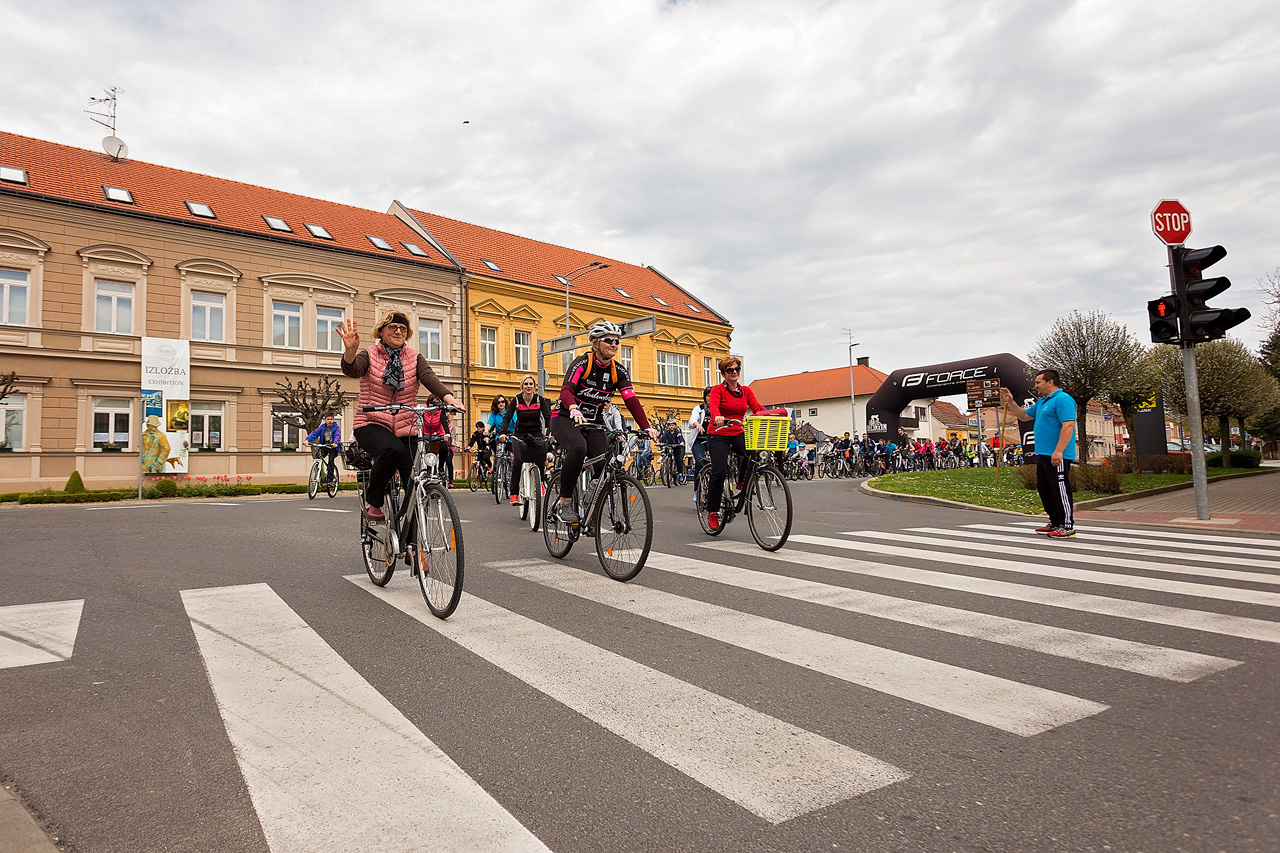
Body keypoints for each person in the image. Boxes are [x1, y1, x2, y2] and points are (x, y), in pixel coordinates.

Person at [339, 311, 462, 520]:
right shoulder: (370, 354)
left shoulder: (414, 357)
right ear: (381, 331)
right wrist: (350, 352)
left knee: (415, 483)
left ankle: (410, 544)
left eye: (403, 328)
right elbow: (353, 369)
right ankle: (373, 500)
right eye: (393, 327)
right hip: (371, 423)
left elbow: (429, 377)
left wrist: (449, 398)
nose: (398, 331)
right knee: (391, 449)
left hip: (406, 426)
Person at [551, 320, 658, 524]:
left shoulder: (618, 371)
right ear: (596, 343)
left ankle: (589, 508)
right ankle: (564, 501)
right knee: (578, 448)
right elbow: (566, 390)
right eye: (609, 340)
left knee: (603, 466)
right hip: (565, 418)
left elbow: (631, 400)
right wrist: (573, 408)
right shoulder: (583, 363)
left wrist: (645, 427)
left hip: (594, 421)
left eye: (617, 341)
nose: (614, 345)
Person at [998, 369, 1077, 538]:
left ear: (1050, 382)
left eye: (1038, 382)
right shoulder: (1042, 402)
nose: (1035, 386)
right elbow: (1023, 416)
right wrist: (1011, 401)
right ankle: (1055, 522)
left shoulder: (1063, 400)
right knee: (1045, 488)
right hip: (1044, 454)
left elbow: (1068, 425)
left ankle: (1067, 525)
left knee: (1060, 488)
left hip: (1057, 454)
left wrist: (1059, 450)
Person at [704, 355, 766, 531]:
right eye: (730, 370)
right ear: (723, 373)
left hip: (738, 430)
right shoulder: (718, 390)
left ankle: (741, 481)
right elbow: (713, 406)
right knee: (719, 471)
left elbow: (757, 408)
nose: (734, 372)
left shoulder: (746, 391)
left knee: (752, 450)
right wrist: (717, 417)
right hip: (718, 432)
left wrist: (770, 414)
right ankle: (713, 511)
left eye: (737, 369)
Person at [500, 374, 553, 505]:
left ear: (534, 387)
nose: (528, 386)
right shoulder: (516, 400)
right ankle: (514, 494)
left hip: (536, 432)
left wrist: (551, 432)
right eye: (526, 384)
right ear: (522, 387)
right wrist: (503, 433)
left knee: (540, 456)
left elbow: (548, 417)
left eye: (531, 384)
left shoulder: (540, 400)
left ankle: (540, 483)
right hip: (520, 433)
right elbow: (507, 417)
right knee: (518, 460)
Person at [686, 387, 712, 501]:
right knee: (700, 463)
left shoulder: (719, 409)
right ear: (705, 398)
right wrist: (697, 424)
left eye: (712, 395)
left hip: (713, 440)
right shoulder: (699, 408)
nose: (710, 398)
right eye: (708, 396)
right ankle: (697, 490)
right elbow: (691, 420)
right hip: (699, 440)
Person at [304, 414, 342, 484]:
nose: (329, 421)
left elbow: (337, 435)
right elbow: (315, 433)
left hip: (333, 447)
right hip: (324, 446)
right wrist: (307, 440)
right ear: (325, 420)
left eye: (331, 419)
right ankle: (322, 476)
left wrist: (335, 443)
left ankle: (330, 479)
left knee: (331, 461)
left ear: (333, 420)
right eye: (328, 419)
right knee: (318, 458)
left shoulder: (336, 427)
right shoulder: (322, 427)